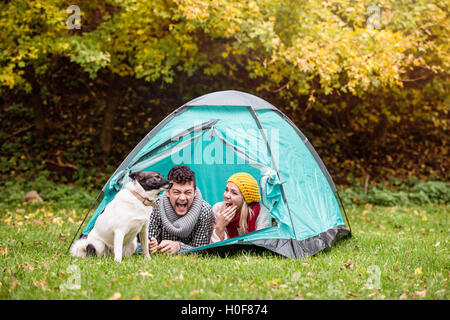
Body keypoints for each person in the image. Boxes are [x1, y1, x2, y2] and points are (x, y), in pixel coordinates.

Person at [147, 165, 214, 253]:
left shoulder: (205, 211)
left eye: (188, 192)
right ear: (167, 192)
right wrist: (151, 245)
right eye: (176, 192)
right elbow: (148, 240)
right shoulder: (155, 206)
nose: (182, 198)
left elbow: (201, 250)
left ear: (195, 193)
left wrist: (179, 247)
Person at [211, 172, 271, 243]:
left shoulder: (261, 214)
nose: (227, 196)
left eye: (234, 193)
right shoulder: (217, 209)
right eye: (226, 190)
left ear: (245, 199)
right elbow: (214, 250)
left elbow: (263, 246)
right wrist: (219, 228)